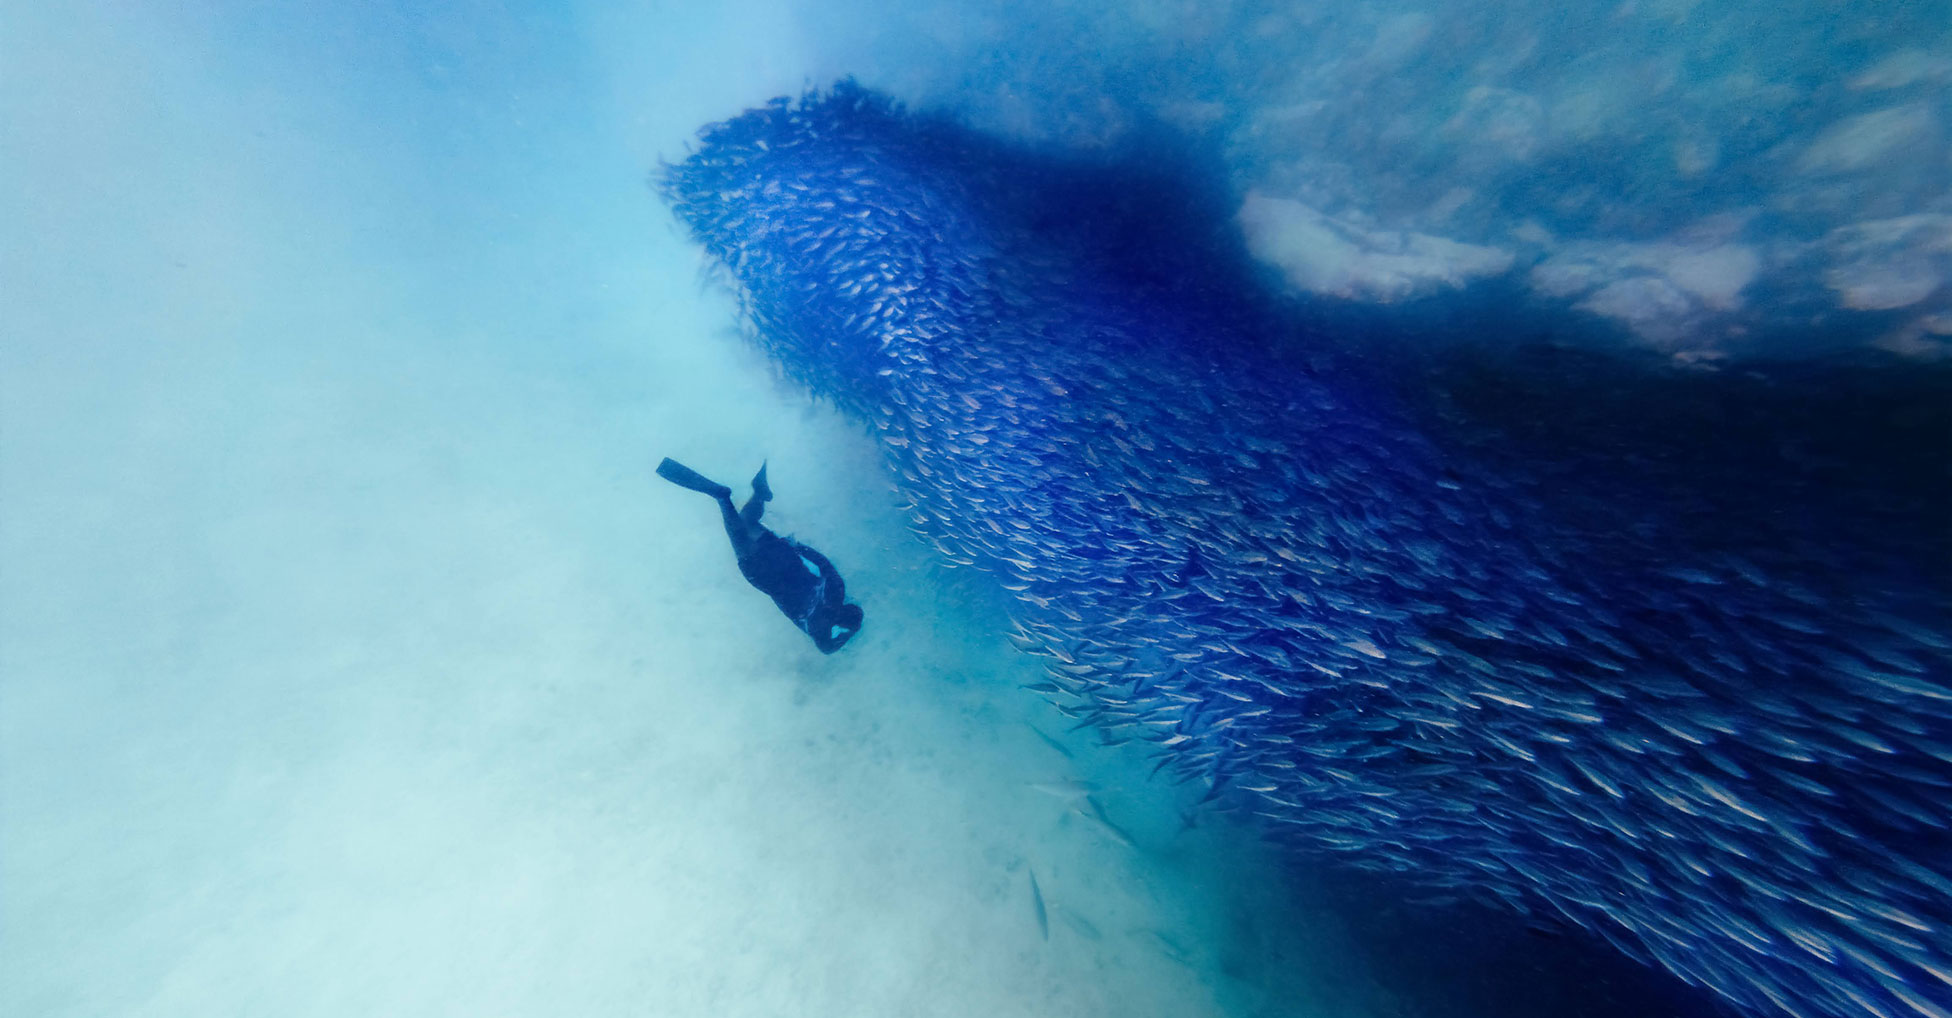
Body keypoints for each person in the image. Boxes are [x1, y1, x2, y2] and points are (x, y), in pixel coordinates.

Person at [656, 457, 864, 653]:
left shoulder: (837, 590)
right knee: (739, 534)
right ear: (840, 620)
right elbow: (826, 649)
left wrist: (797, 547)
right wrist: (849, 634)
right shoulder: (820, 628)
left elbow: (823, 563)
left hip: (785, 558)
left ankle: (759, 494)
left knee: (748, 522)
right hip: (765, 575)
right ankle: (722, 497)